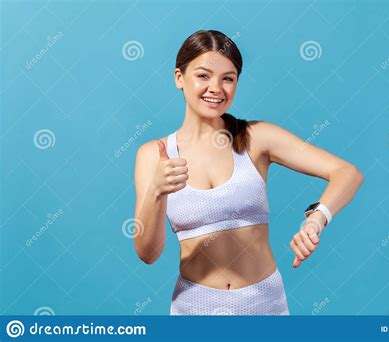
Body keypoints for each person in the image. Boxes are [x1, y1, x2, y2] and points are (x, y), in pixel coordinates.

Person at [133, 30, 364, 315]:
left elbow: (347, 173)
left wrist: (317, 219)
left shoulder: (256, 138)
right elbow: (148, 254)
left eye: (227, 78)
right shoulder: (153, 155)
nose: (216, 88)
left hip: (265, 305)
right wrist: (157, 191)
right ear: (179, 78)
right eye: (203, 76)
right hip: (195, 309)